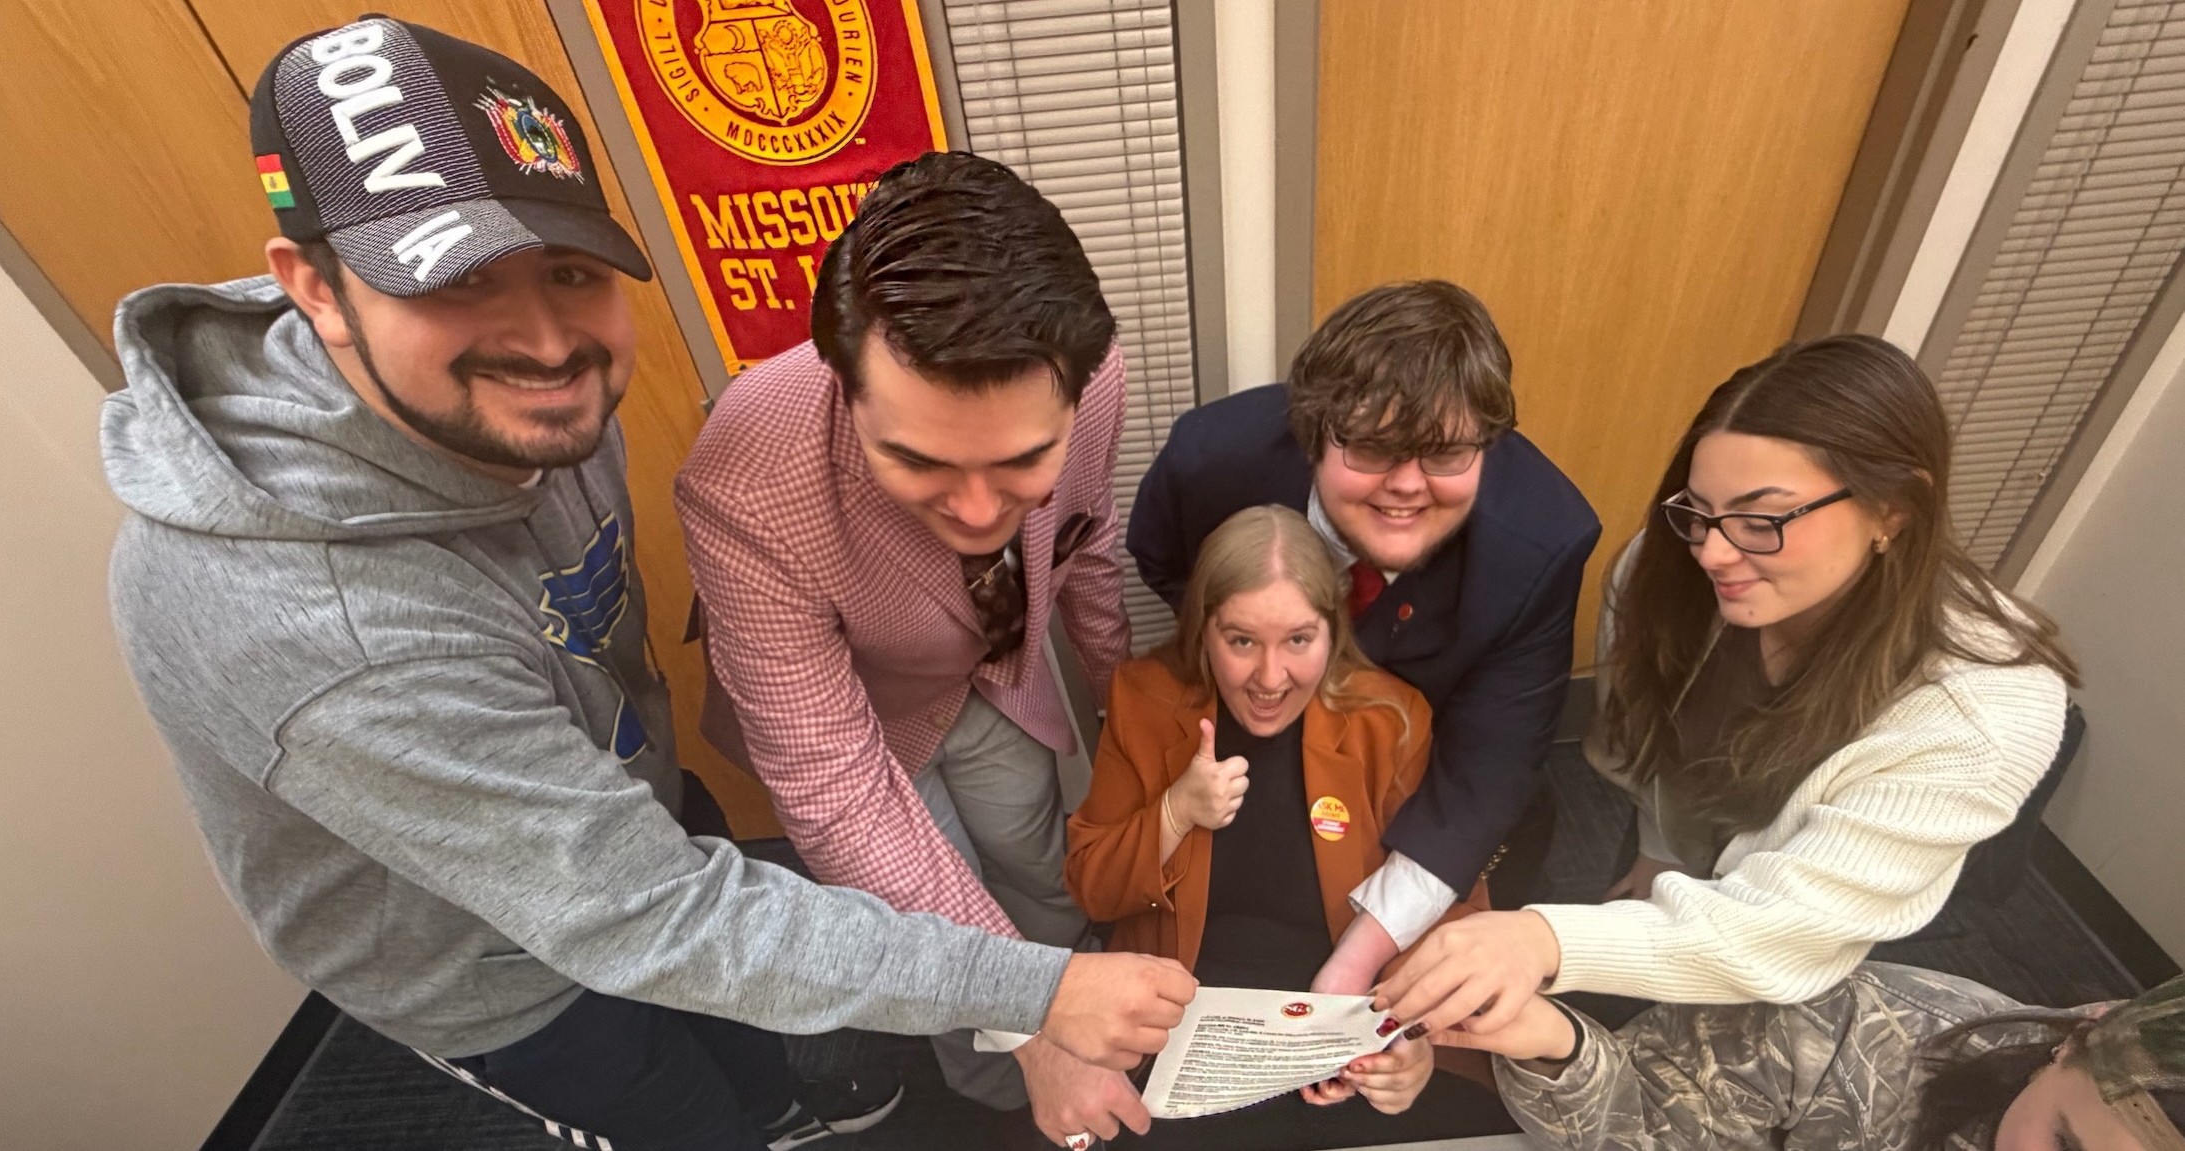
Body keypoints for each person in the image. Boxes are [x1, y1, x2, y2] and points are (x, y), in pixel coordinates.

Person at [102, 20, 1192, 1151]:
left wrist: (1123, 714)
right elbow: (671, 898)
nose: (542, 341)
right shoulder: (324, 631)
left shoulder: (550, 409)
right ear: (314, 291)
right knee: (686, 1120)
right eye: (455, 282)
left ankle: (796, 1103)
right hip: (494, 967)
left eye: (569, 271)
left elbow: (1078, 540)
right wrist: (1032, 1006)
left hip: (639, 805)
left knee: (756, 1059)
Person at [1373, 334, 2078, 1047]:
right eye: (1700, 510)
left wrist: (1544, 938)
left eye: (1761, 519)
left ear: (1894, 509)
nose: (1713, 551)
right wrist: (1661, 852)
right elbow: (1654, 735)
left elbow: (1787, 930)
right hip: (1700, 847)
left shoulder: (1983, 711)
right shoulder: (1668, 571)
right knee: (1623, 1012)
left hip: (1823, 924)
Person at [674, 151, 1143, 1140]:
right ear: (841, 388)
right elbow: (837, 790)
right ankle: (999, 1095)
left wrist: (1134, 713)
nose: (978, 509)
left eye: (1021, 459)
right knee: (922, 919)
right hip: (854, 720)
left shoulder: (1092, 382)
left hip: (991, 671)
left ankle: (1073, 1020)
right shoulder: (745, 480)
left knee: (1034, 862)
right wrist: (1029, 1029)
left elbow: (1085, 545)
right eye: (917, 459)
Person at [1126, 280, 1602, 996]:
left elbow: (1487, 771)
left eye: (1445, 453)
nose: (1407, 486)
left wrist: (1357, 958)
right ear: (1316, 431)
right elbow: (1164, 561)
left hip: (1423, 773)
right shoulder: (1209, 460)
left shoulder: (1542, 542)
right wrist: (1256, 651)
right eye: (1375, 448)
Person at [1066, 505, 1513, 1148]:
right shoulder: (1144, 698)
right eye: (1241, 640)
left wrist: (1409, 1045)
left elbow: (1450, 912)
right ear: (1202, 633)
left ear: (1332, 632)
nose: (1270, 680)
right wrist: (1173, 814)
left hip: (1345, 1029)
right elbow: (1091, 887)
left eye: (1298, 641)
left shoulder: (1390, 718)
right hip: (1182, 1033)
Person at [1425, 962, 2184, 1151]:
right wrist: (1559, 1049)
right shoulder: (1853, 1027)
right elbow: (1646, 1119)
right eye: (2061, 1142)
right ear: (2080, 1031)